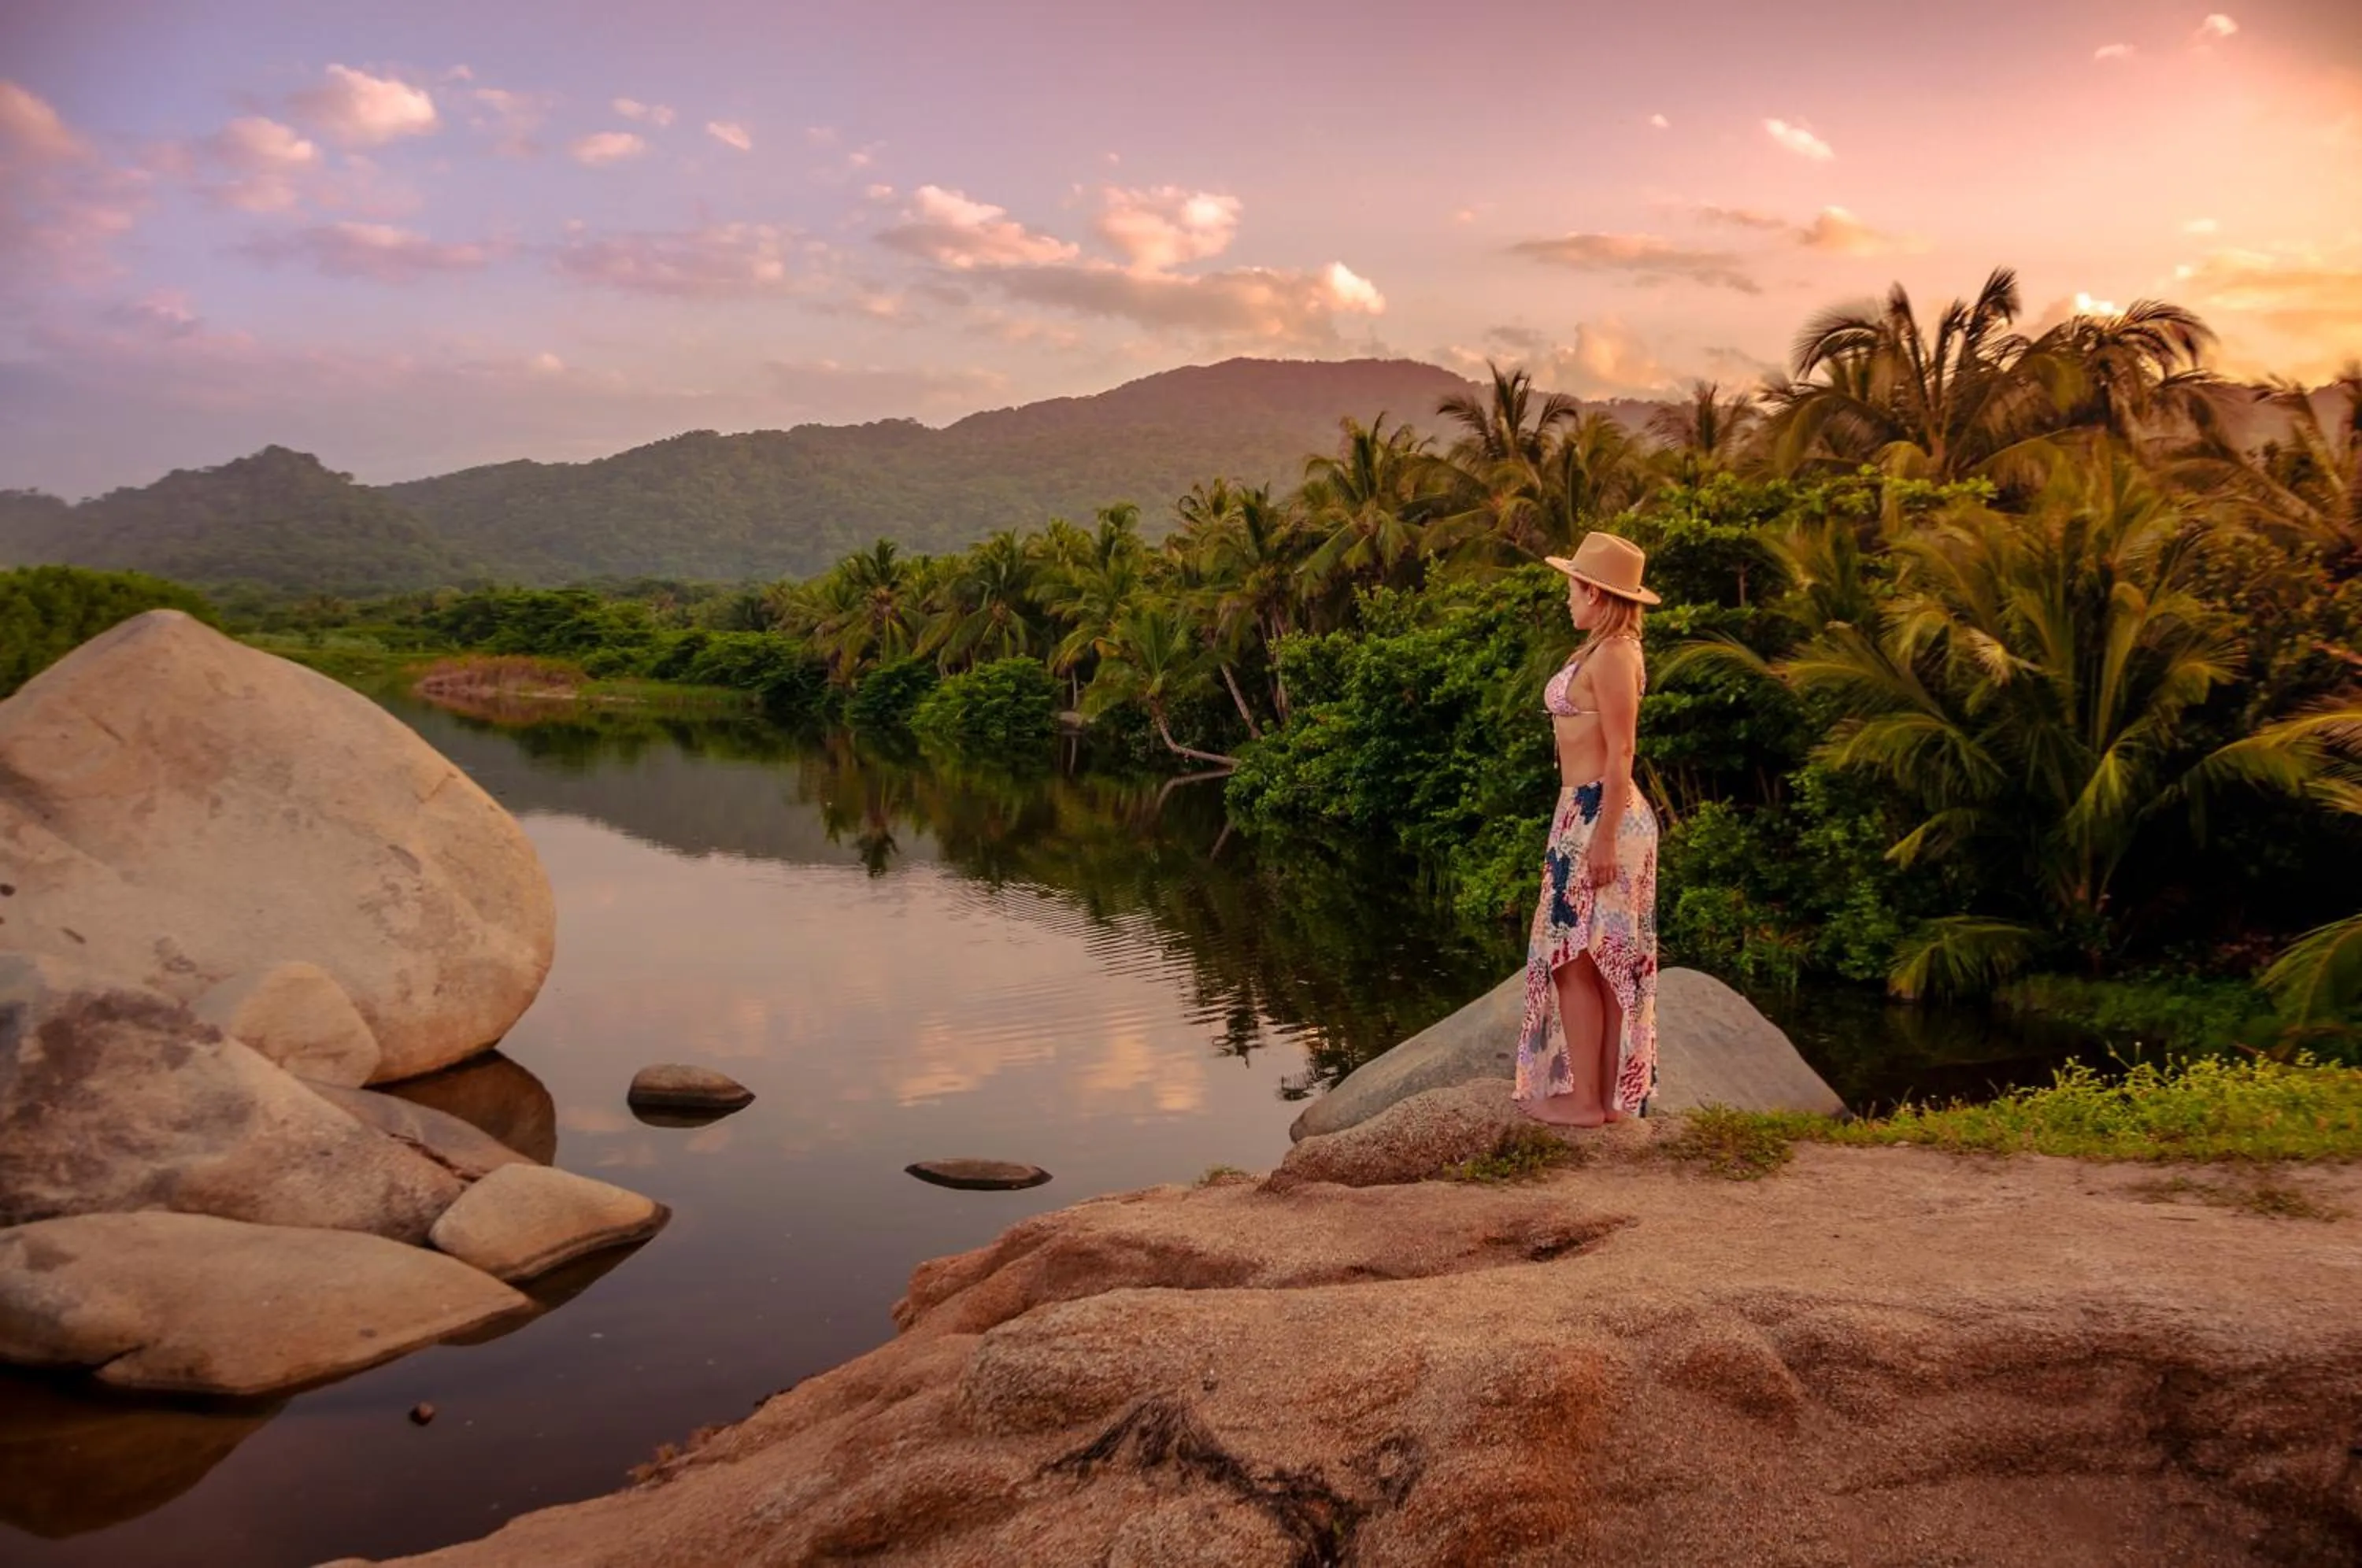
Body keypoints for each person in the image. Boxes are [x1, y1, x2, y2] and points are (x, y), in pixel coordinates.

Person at [1514, 532, 1660, 1127]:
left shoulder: (1617, 654)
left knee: (1575, 958)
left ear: (1595, 593)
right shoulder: (1603, 649)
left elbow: (1622, 748)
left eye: (1573, 588)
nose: (1568, 598)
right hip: (1581, 810)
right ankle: (1602, 1100)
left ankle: (1588, 1102)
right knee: (1591, 959)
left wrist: (1602, 837)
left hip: (1603, 813)